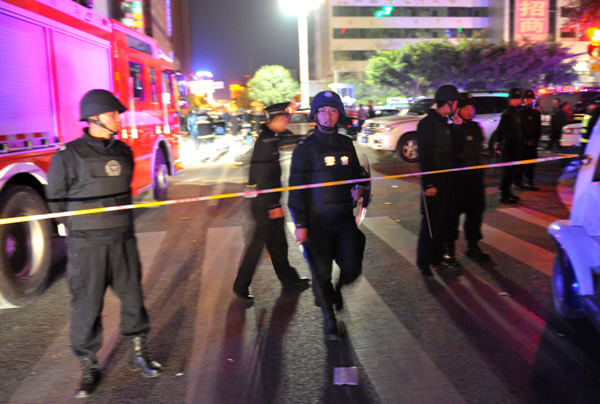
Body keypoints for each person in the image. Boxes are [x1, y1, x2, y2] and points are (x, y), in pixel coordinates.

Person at [46, 89, 161, 399]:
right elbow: (56, 201)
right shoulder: (68, 155)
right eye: (112, 114)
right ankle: (88, 366)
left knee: (134, 298)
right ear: (94, 118)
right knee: (87, 305)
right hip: (87, 246)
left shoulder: (123, 151)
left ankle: (139, 352)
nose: (118, 118)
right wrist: (80, 229)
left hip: (123, 240)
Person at [288, 90, 368, 340]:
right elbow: (296, 190)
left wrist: (360, 188)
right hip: (316, 224)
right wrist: (300, 224)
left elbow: (359, 175)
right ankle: (329, 322)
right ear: (315, 115)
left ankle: (338, 289)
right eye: (322, 110)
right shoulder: (304, 149)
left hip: (344, 219)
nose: (328, 115)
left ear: (339, 114)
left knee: (353, 265)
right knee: (320, 273)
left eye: (333, 110)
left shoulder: (346, 144)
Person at [233, 102, 310, 302]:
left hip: (266, 202)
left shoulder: (270, 138)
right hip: (264, 205)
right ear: (276, 119)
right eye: (286, 117)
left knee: (278, 244)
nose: (288, 120)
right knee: (257, 247)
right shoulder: (266, 142)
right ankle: (241, 286)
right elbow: (262, 176)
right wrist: (272, 206)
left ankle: (289, 279)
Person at [415, 84, 461, 276]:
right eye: (456, 103)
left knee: (443, 222)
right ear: (449, 102)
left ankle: (437, 258)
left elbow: (453, 152)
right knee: (430, 224)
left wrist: (457, 127)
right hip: (434, 182)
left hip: (447, 181)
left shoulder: (445, 123)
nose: (458, 106)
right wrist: (429, 184)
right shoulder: (427, 124)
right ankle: (424, 262)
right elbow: (424, 156)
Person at [446, 95, 490, 263]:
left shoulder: (476, 127)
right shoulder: (451, 129)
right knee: (452, 216)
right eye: (465, 108)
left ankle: (473, 246)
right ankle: (449, 249)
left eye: (472, 108)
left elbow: (479, 150)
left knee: (475, 213)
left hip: (475, 178)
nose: (470, 111)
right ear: (458, 110)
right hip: (458, 179)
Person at [494, 88, 523, 204]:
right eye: (514, 99)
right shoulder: (506, 114)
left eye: (518, 98)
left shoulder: (517, 112)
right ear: (510, 100)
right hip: (508, 146)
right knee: (507, 172)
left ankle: (508, 192)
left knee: (513, 171)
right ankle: (504, 195)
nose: (517, 101)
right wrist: (498, 142)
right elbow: (500, 130)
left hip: (516, 146)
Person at [517, 89, 542, 191]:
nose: (529, 101)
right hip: (522, 144)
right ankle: (519, 182)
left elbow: (538, 129)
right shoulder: (519, 113)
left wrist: (535, 140)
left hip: (532, 144)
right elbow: (518, 129)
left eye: (531, 99)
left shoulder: (536, 114)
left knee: (531, 165)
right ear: (523, 100)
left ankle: (531, 182)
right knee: (521, 165)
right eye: (527, 99)